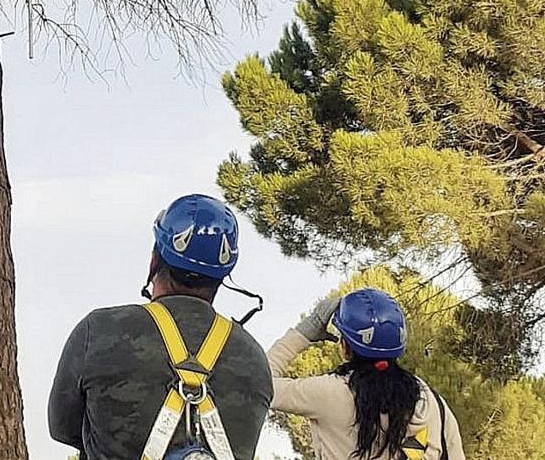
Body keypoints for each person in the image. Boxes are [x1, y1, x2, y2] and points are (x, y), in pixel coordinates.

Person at [49, 194, 273, 460]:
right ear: (223, 275)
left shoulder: (99, 331)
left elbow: (62, 428)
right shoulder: (254, 359)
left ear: (155, 259)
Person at [269, 289, 465, 460]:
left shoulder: (328, 393)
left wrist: (302, 335)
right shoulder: (432, 402)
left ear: (345, 347)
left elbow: (257, 384)